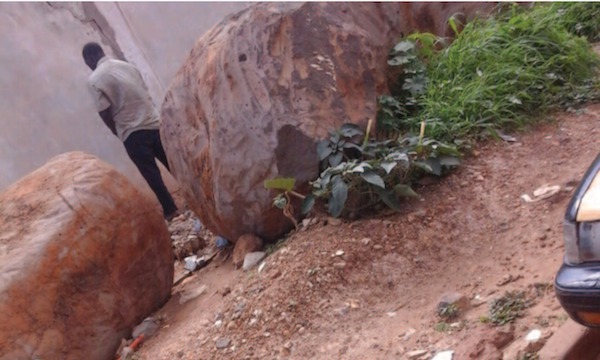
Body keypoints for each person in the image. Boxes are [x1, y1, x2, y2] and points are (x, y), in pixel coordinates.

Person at [82, 42, 179, 221]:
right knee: (172, 164)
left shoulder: (94, 80)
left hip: (132, 132)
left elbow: (104, 112)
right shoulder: (127, 66)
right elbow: (143, 91)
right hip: (153, 123)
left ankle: (171, 209)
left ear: (89, 58)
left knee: (151, 174)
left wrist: (116, 132)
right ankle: (197, 197)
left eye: (86, 62)